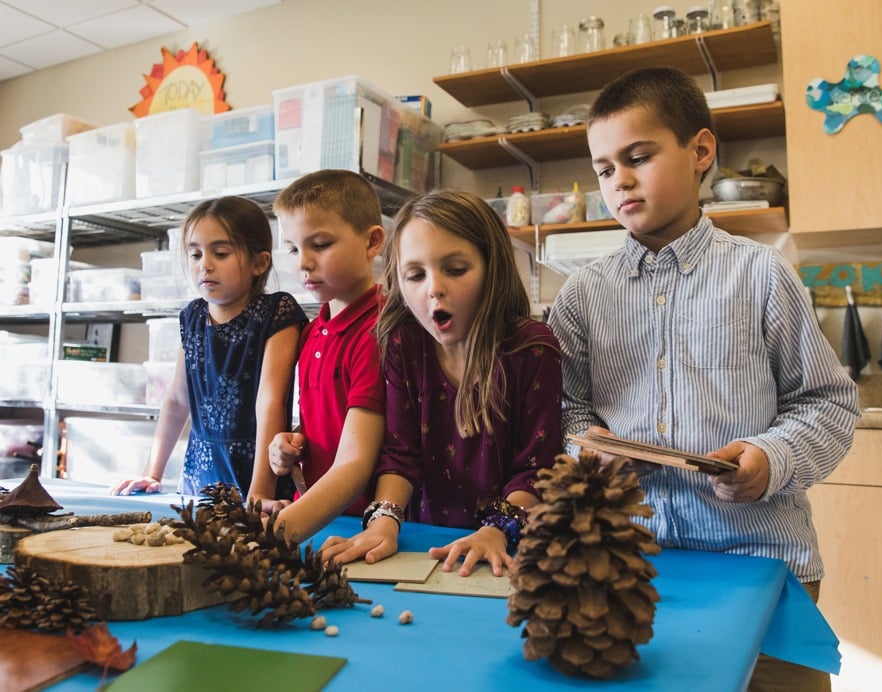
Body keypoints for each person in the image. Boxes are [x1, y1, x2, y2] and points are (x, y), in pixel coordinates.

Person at [546, 66, 860, 690]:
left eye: (638, 156)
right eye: (605, 169)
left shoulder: (762, 276)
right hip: (628, 567)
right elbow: (566, 412)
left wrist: (771, 457)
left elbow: (828, 404)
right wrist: (588, 448)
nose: (621, 181)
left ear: (701, 152)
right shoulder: (581, 296)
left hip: (763, 567)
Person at [321, 189, 563, 577]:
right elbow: (400, 454)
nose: (433, 288)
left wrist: (496, 531)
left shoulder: (532, 348)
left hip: (512, 545)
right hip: (427, 541)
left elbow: (536, 468)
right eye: (415, 275)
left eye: (455, 269)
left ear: (492, 268)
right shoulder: (402, 342)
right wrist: (385, 520)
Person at [111, 196, 307, 500]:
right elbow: (177, 400)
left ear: (259, 262)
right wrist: (152, 472)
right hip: (199, 477)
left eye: (221, 253)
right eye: (195, 254)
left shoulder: (277, 311)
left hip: (257, 473)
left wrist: (260, 492)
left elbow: (271, 401)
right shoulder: (192, 317)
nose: (205, 265)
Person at [263, 169, 387, 544]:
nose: (303, 262)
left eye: (320, 244)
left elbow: (357, 462)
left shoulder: (378, 330)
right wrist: (290, 442)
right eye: (294, 248)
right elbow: (325, 418)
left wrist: (271, 535)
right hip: (314, 514)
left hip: (363, 525)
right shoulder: (315, 329)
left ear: (371, 242)